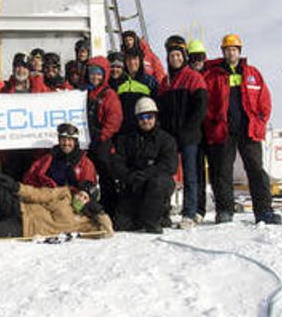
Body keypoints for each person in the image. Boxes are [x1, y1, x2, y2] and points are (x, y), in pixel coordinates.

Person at [203, 34, 281, 225]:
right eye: (227, 49)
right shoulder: (213, 76)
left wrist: (260, 121)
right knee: (222, 171)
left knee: (256, 170)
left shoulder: (252, 73)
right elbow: (206, 103)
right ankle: (224, 211)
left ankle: (264, 211)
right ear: (223, 52)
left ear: (239, 51)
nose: (231, 52)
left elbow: (265, 100)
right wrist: (212, 122)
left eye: (234, 49)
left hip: (249, 131)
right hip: (224, 131)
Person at [93, 97, 177, 233]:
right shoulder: (127, 139)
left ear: (155, 117)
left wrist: (147, 174)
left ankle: (153, 220)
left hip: (156, 183)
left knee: (158, 183)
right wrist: (129, 176)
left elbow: (169, 165)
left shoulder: (166, 140)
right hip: (134, 182)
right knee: (121, 225)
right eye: (142, 117)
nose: (146, 121)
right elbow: (117, 162)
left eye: (149, 116)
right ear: (137, 119)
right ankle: (148, 216)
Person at [156, 35, 208, 228]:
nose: (175, 59)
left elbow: (200, 107)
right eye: (172, 55)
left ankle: (189, 212)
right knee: (166, 174)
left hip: (189, 136)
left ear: (184, 56)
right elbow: (160, 109)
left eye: (178, 55)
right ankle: (163, 212)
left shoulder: (193, 78)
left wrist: (190, 128)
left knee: (190, 175)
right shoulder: (165, 82)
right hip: (170, 137)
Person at [16, 181, 113, 238]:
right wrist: (18, 188)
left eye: (85, 198)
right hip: (21, 208)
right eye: (80, 194)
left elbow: (107, 232)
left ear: (89, 203)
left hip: (26, 227)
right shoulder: (64, 194)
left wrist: (100, 213)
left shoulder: (85, 223)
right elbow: (39, 194)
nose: (80, 199)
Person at [23, 123, 98, 189]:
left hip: (73, 200)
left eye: (70, 139)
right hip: (49, 197)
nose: (66, 143)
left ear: (75, 142)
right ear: (59, 140)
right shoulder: (49, 158)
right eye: (63, 139)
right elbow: (30, 176)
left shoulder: (85, 163)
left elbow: (88, 189)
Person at [187, 38, 209, 220]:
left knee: (217, 173)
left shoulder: (212, 75)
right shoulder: (187, 78)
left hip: (212, 130)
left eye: (199, 57)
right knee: (195, 171)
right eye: (193, 57)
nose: (196, 61)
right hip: (195, 133)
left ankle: (218, 208)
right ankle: (198, 209)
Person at [113, 46, 158, 135]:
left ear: (140, 61)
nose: (132, 63)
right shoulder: (118, 82)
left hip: (144, 129)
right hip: (124, 131)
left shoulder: (149, 81)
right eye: (128, 60)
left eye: (135, 59)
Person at [86, 55, 123, 149]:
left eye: (98, 74)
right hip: (85, 138)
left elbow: (115, 118)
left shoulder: (109, 94)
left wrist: (102, 136)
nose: (95, 77)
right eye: (92, 74)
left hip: (101, 141)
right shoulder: (84, 92)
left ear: (104, 76)